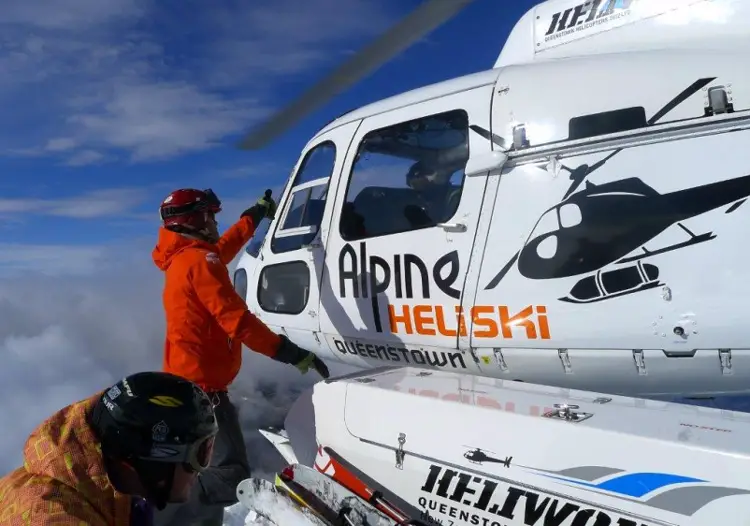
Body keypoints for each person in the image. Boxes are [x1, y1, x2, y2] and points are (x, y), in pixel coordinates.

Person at [151, 187, 330, 525]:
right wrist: (291, 352)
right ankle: (165, 504)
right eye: (211, 216)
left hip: (184, 385)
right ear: (197, 220)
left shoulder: (185, 258)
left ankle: (182, 510)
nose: (216, 223)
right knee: (229, 476)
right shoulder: (200, 262)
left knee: (205, 468)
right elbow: (238, 321)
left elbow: (221, 250)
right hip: (203, 394)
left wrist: (254, 217)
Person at [0, 371, 219, 526]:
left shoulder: (110, 491)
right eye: (200, 454)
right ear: (152, 460)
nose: (201, 469)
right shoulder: (53, 517)